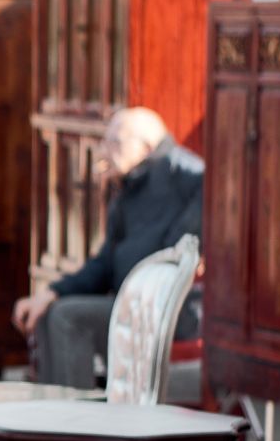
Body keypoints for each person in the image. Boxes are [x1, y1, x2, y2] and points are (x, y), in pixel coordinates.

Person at [11, 106, 203, 388]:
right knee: (49, 312)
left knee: (68, 318)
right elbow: (105, 263)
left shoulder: (187, 176)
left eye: (115, 142)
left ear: (146, 147)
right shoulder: (131, 183)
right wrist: (51, 293)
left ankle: (76, 423)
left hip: (169, 309)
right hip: (130, 300)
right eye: (105, 140)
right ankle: (50, 417)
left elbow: (176, 256)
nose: (104, 150)